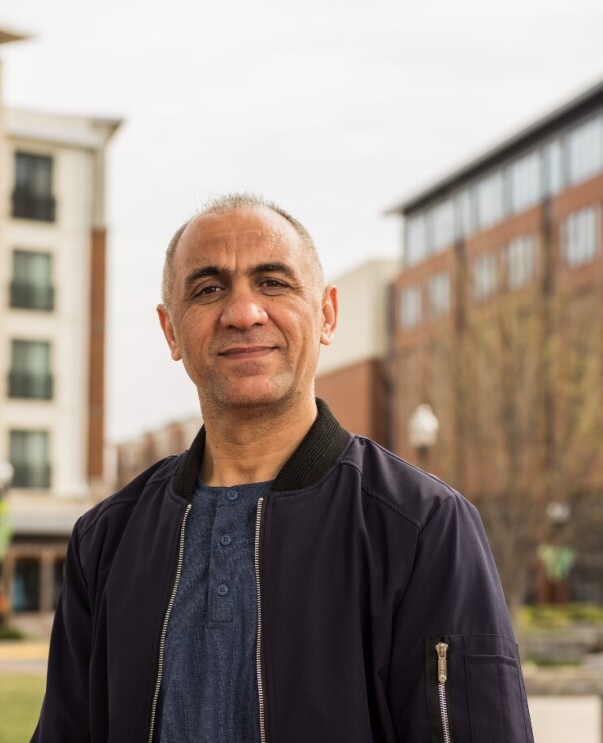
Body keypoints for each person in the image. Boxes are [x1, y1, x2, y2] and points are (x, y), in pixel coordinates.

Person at [31, 194, 535, 742]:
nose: (244, 312)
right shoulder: (107, 539)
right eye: (208, 289)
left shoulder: (424, 527)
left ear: (326, 314)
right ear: (171, 331)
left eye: (273, 282)